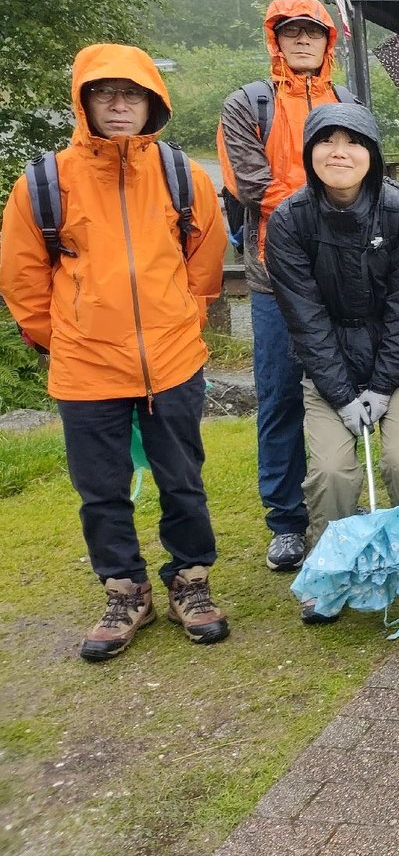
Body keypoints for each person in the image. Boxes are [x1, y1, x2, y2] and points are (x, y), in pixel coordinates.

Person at [1, 44, 230, 661]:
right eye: (106, 94)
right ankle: (124, 588)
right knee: (101, 487)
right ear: (85, 102)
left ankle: (191, 578)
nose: (120, 105)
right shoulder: (45, 182)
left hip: (173, 357)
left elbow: (205, 264)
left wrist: (180, 322)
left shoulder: (183, 175)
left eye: (132, 95)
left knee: (182, 478)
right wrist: (69, 337)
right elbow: (23, 278)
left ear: (153, 102)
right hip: (85, 366)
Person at [264, 102, 399, 622]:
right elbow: (303, 316)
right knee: (332, 469)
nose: (340, 152)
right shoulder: (288, 221)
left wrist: (381, 384)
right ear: (310, 153)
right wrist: (343, 393)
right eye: (328, 141)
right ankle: (331, 567)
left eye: (353, 142)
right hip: (328, 369)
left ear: (371, 153)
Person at [217, 0, 349, 574]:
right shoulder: (246, 105)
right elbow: (252, 186)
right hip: (274, 277)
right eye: (291, 33)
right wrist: (328, 197)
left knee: (347, 389)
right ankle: (286, 520)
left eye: (312, 34)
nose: (302, 42)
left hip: (340, 278)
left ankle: (344, 505)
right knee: (277, 397)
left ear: (327, 43)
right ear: (275, 39)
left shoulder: (345, 104)